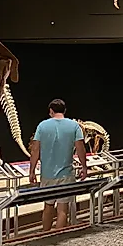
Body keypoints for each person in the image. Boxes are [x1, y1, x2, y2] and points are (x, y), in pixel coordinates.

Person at [28, 99, 87, 232]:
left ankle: (45, 234)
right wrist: (84, 166)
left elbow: (35, 149)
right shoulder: (74, 126)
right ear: (64, 111)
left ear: (51, 111)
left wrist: (31, 171)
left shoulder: (42, 126)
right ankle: (58, 237)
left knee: (48, 206)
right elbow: (80, 148)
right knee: (62, 209)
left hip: (47, 174)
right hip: (66, 174)